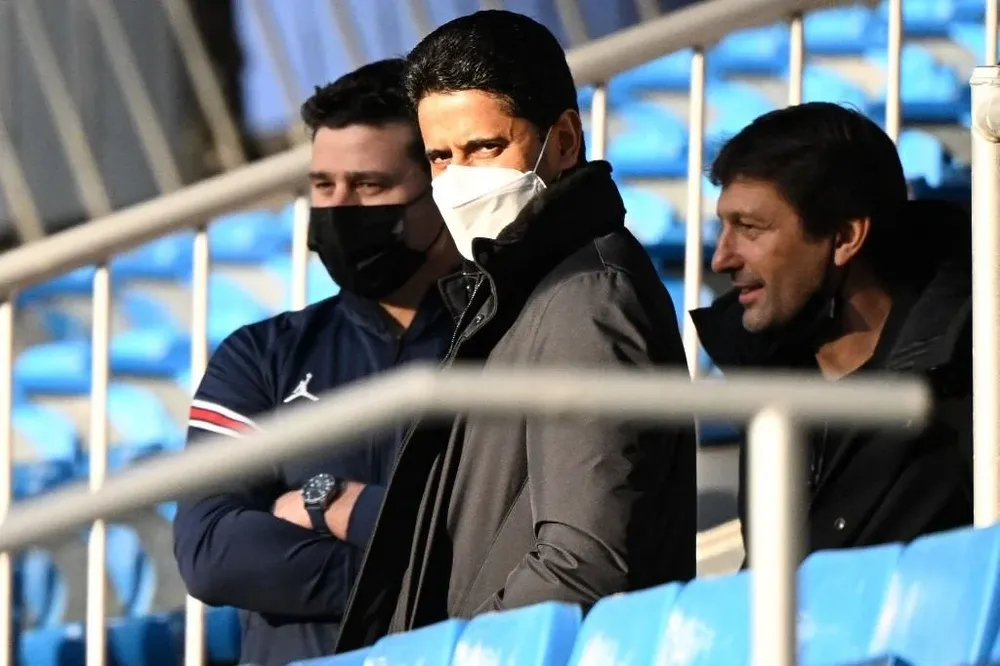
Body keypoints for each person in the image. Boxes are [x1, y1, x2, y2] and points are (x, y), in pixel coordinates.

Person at [335, 10, 697, 652]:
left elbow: (585, 561)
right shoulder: (515, 288)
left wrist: (449, 657)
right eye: (440, 157)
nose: (459, 178)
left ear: (563, 141)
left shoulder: (586, 296)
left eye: (485, 148)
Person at [171, 58, 462, 666]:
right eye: (324, 186)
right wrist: (415, 582)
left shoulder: (507, 342)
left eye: (371, 185)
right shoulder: (259, 355)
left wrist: (324, 503)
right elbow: (211, 550)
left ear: (439, 186)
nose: (341, 207)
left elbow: (503, 534)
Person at [690, 102, 972, 561]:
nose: (721, 259)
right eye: (723, 225)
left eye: (750, 228)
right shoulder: (762, 370)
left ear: (844, 238)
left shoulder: (975, 372)